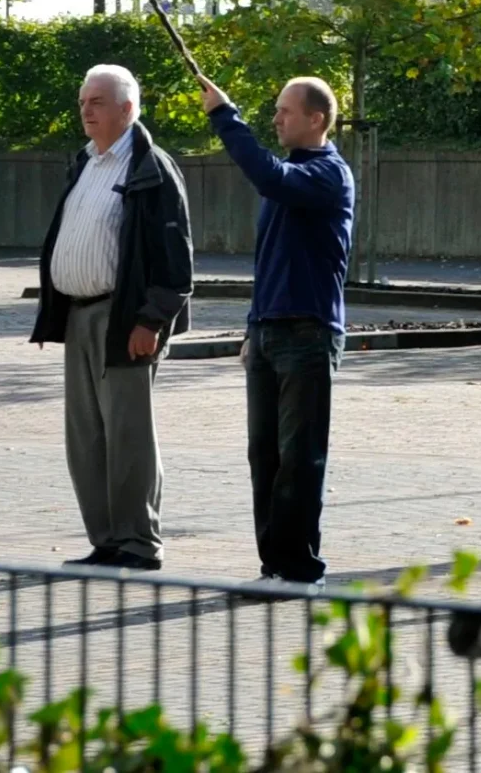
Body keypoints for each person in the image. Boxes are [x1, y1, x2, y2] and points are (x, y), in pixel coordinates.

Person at [29, 64, 194, 571]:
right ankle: (106, 541)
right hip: (79, 317)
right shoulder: (84, 163)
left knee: (128, 435)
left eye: (97, 101)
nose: (86, 110)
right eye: (82, 101)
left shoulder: (151, 169)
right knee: (86, 436)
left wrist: (152, 321)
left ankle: (139, 543)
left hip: (124, 320)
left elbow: (175, 257)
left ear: (127, 109)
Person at [200, 72, 354, 585]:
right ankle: (274, 567)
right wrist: (252, 327)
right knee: (263, 455)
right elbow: (269, 262)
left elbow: (267, 176)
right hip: (267, 333)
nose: (276, 118)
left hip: (309, 335)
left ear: (317, 119)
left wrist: (225, 116)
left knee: (300, 458)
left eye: (286, 111)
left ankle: (301, 569)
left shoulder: (329, 175)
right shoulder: (288, 176)